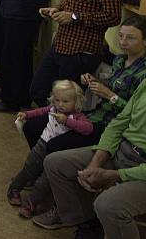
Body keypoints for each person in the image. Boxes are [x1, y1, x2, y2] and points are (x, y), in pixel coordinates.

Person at [17, 15, 146, 219]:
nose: (123, 42)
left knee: (56, 144)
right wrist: (93, 81)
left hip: (110, 124)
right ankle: (42, 174)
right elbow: (111, 88)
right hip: (96, 115)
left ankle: (57, 193)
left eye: (131, 38)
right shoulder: (119, 60)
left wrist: (109, 95)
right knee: (33, 126)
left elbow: (134, 114)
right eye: (121, 36)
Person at [37, 59, 146, 239]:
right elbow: (118, 124)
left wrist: (117, 175)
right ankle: (86, 221)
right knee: (55, 163)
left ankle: (101, 219)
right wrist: (95, 164)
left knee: (108, 205)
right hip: (123, 150)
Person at [8, 81, 93, 209]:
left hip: (57, 152)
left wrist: (67, 121)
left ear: (76, 102)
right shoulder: (53, 108)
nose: (60, 104)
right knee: (29, 169)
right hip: (42, 144)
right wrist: (27, 114)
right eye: (57, 100)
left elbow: (88, 128)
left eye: (65, 101)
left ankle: (32, 202)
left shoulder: (77, 116)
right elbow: (41, 111)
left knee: (45, 179)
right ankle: (14, 189)